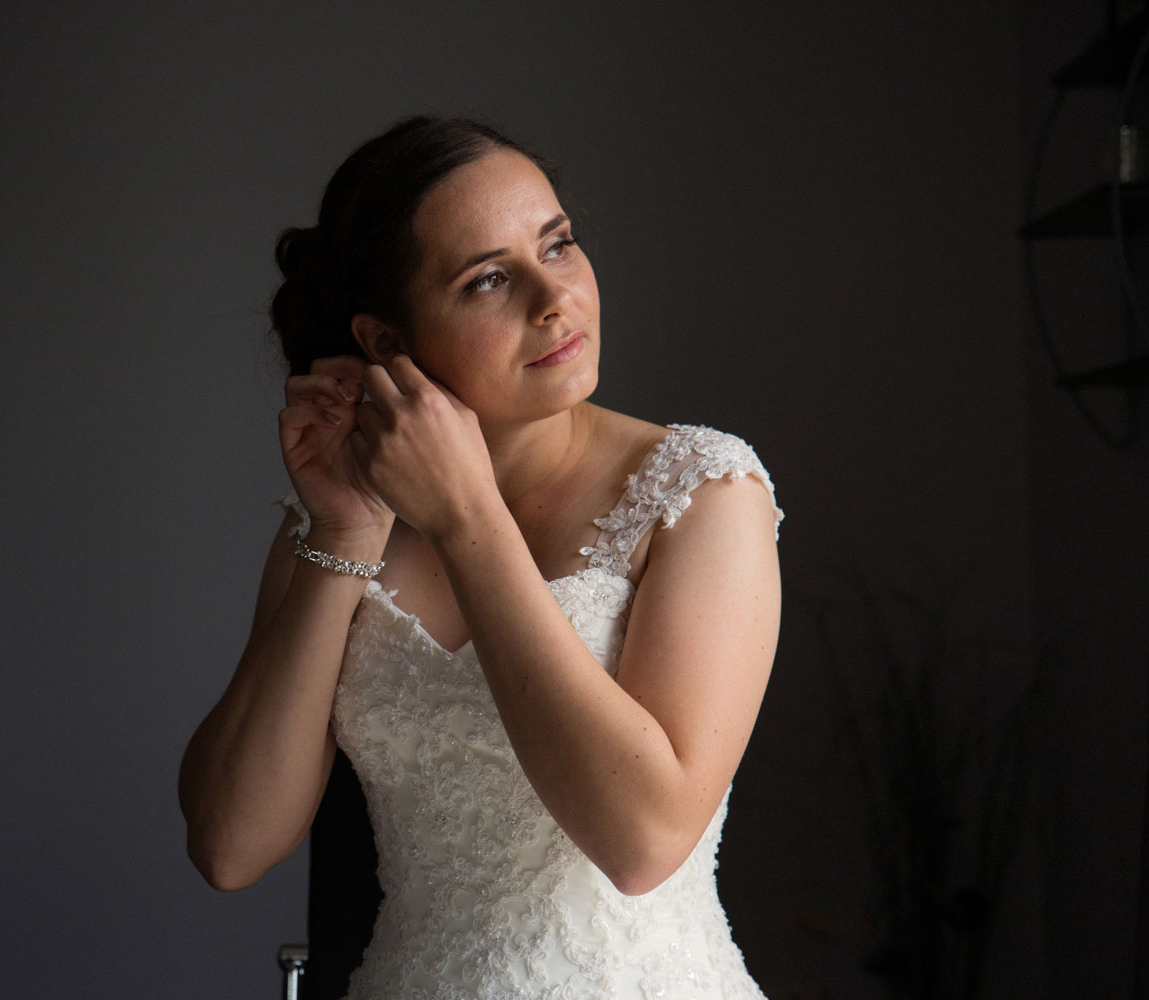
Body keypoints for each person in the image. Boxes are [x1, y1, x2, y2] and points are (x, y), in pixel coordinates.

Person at [179, 116, 783, 999]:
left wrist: (467, 519)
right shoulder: (338, 518)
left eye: (561, 245)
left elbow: (645, 841)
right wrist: (344, 533)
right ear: (387, 342)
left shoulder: (702, 492)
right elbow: (230, 847)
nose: (555, 298)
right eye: (490, 279)